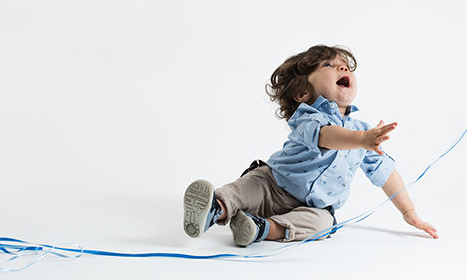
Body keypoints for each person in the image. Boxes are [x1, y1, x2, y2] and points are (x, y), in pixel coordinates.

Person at [183, 44, 438, 246]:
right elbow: (326, 137)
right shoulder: (308, 117)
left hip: (312, 208)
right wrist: (362, 140)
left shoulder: (363, 132)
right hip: (273, 185)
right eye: (330, 65)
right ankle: (216, 208)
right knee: (247, 187)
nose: (343, 69)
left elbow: (386, 173)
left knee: (324, 224)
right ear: (303, 93)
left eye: (346, 66)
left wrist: (409, 211)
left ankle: (260, 229)